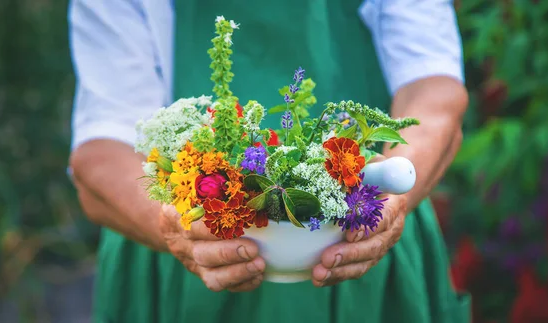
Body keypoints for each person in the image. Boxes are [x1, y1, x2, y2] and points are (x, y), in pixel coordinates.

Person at [67, 0, 470, 322]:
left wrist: (393, 190)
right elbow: (100, 154)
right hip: (186, 266)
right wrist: (171, 224)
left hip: (362, 242)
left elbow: (434, 96)